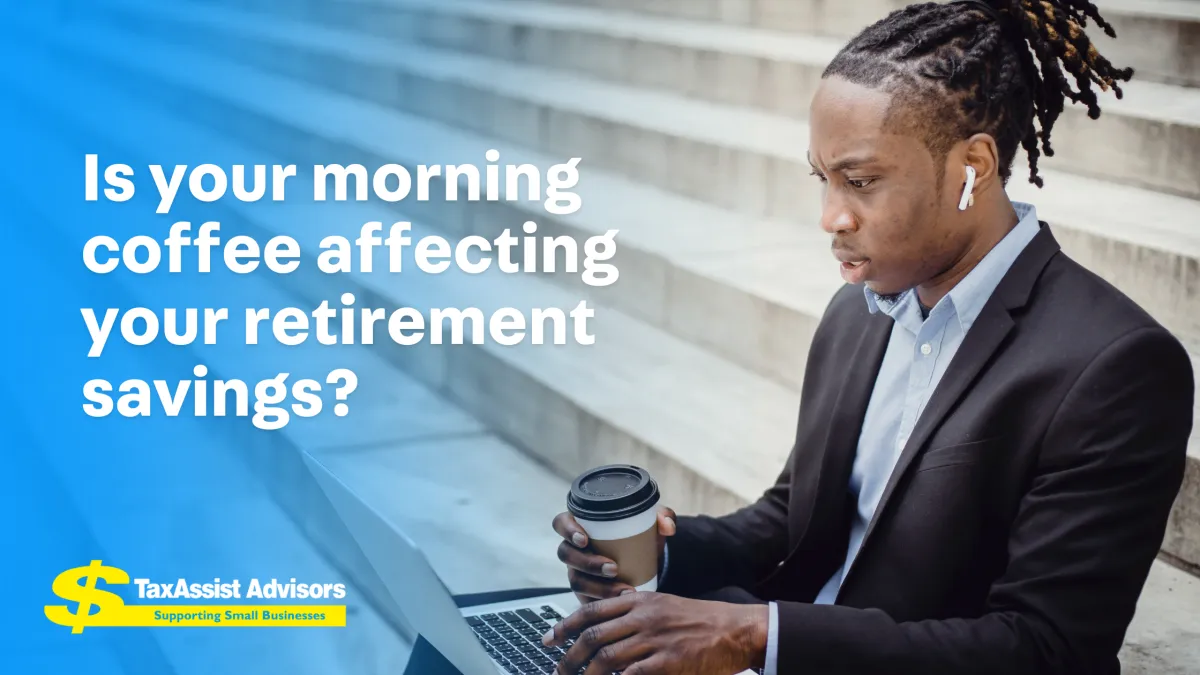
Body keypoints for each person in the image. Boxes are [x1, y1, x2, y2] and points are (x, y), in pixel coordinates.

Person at [544, 1, 1195, 673]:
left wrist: (752, 635)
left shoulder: (1115, 366)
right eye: (822, 179)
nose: (831, 216)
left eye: (860, 181)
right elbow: (794, 515)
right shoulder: (859, 310)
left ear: (972, 166)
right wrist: (652, 555)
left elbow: (1044, 648)